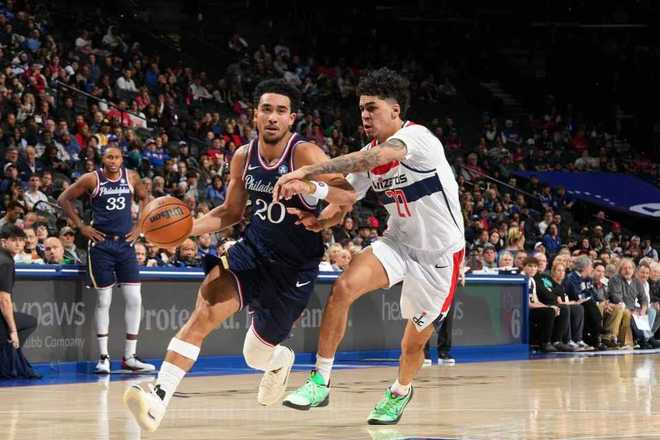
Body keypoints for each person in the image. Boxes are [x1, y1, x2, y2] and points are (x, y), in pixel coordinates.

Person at [123, 79, 353, 432]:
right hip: (252, 252)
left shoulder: (305, 154)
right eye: (266, 109)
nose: (272, 117)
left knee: (254, 355)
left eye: (280, 111)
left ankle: (278, 360)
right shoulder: (244, 157)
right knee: (204, 312)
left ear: (291, 118)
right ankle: (158, 400)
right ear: (255, 114)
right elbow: (230, 212)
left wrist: (317, 204)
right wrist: (186, 229)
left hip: (293, 268)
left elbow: (347, 196)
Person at [274, 68, 465, 425]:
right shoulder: (369, 152)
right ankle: (320, 381)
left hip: (440, 255)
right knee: (343, 287)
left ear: (395, 110)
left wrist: (307, 172)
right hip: (398, 243)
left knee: (412, 345)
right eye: (361, 108)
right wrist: (320, 215)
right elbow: (345, 197)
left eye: (372, 107)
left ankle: (400, 391)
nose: (364, 114)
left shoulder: (417, 138)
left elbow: (373, 160)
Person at [57, 144, 154, 374]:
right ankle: (104, 357)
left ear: (122, 159)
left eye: (117, 157)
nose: (113, 161)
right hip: (101, 245)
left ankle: (130, 357)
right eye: (109, 157)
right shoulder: (92, 179)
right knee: (104, 300)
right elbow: (64, 199)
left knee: (135, 299)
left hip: (125, 244)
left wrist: (139, 226)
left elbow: (145, 197)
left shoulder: (131, 176)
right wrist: (81, 226)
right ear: (103, 159)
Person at [0, 225, 39, 378]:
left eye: (21, 240)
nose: (18, 244)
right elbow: (4, 300)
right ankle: (9, 364)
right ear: (4, 242)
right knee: (29, 323)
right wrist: (13, 331)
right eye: (13, 240)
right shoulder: (6, 262)